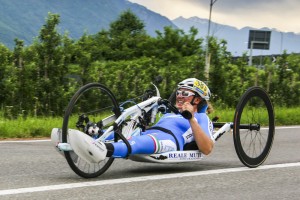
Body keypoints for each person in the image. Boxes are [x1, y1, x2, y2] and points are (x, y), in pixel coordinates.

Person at [69, 78, 215, 163]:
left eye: (185, 93)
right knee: (120, 132)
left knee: (136, 142)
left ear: (197, 99)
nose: (179, 96)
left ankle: (102, 149)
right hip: (149, 132)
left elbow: (207, 148)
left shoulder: (201, 118)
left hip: (168, 140)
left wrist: (191, 118)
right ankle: (85, 139)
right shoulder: (171, 112)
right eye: (178, 92)